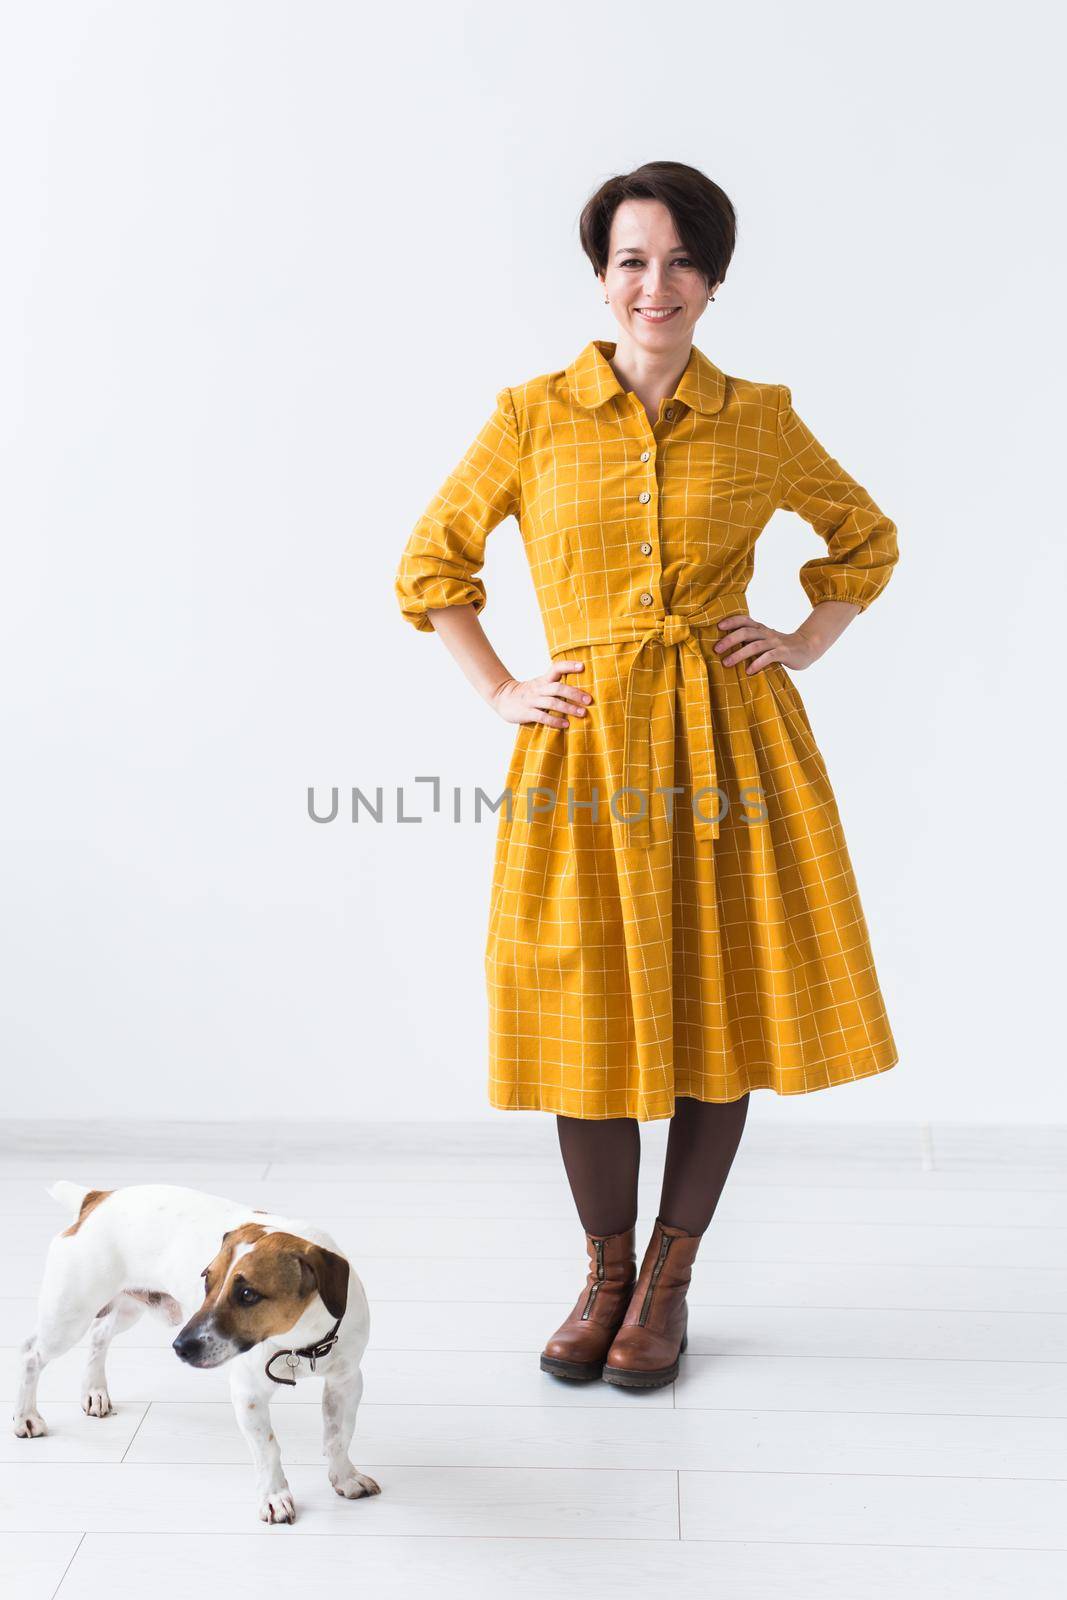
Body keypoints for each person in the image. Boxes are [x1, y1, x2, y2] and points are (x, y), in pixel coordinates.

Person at [394, 160, 899, 1391]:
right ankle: (602, 1274)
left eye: (678, 261)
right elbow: (429, 563)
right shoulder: (532, 414)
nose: (653, 285)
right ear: (601, 275)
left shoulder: (760, 416)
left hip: (731, 748)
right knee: (587, 1016)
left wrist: (796, 638)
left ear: (712, 280)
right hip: (588, 753)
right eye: (631, 259)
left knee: (716, 1016)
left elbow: (863, 539)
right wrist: (504, 686)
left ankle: (667, 1283)